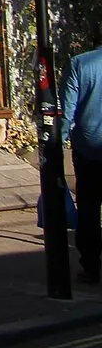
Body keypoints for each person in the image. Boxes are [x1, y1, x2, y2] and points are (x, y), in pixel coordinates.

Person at [65, 34, 102, 285]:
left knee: (88, 207)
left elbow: (67, 110)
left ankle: (90, 267)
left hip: (87, 147)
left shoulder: (79, 64)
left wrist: (56, 141)